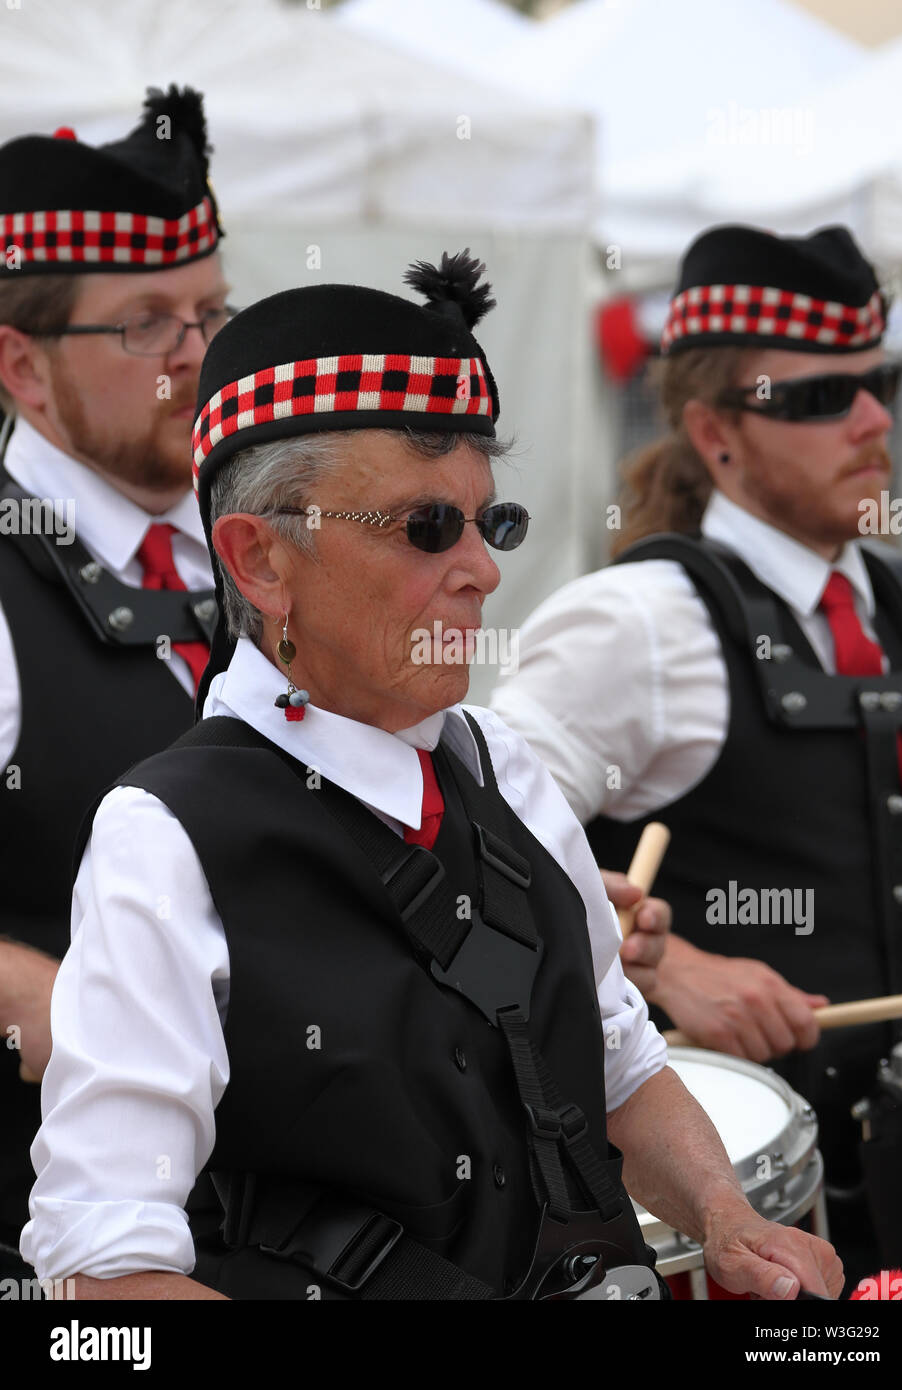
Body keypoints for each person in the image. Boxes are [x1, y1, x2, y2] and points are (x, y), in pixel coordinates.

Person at [21, 252, 842, 1301]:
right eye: (425, 526)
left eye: (490, 519)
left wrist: (726, 1220)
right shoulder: (165, 836)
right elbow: (105, 1270)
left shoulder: (504, 766)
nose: (484, 567)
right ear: (261, 558)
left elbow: (620, 1068)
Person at [491, 224, 902, 1279]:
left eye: (878, 383)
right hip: (750, 1208)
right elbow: (476, 850)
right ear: (716, 433)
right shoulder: (634, 624)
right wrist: (670, 965)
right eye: (823, 397)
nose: (872, 419)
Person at [0, 86, 229, 1278]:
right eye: (148, 326)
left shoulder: (267, 544)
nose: (200, 358)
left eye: (211, 313)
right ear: (23, 369)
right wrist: (36, 989)